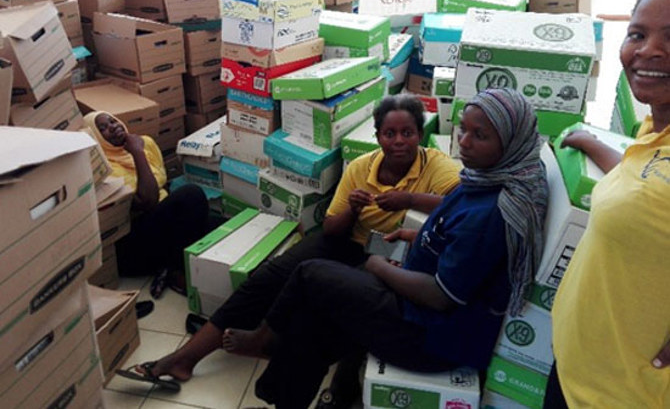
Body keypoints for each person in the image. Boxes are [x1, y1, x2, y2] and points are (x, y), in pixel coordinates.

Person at [220, 88, 549, 409]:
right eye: (464, 129)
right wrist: (415, 238)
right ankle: (281, 394)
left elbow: (441, 296)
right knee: (313, 319)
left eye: (480, 135)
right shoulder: (483, 180)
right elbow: (452, 234)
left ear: (511, 143)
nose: (463, 141)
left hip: (430, 336)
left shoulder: (492, 210)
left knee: (311, 274)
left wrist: (377, 266)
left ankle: (267, 339)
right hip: (417, 307)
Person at [121, 94, 462, 402]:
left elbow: (463, 205)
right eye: (390, 134)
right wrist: (353, 209)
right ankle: (185, 358)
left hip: (392, 256)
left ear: (420, 135)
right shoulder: (361, 167)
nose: (399, 141)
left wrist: (410, 199)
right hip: (349, 241)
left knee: (320, 309)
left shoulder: (436, 165)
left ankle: (273, 345)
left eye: (408, 133)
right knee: (269, 277)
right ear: (377, 137)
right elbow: (331, 227)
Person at [548, 0, 670, 408]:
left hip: (624, 393)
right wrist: (594, 145)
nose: (649, 51)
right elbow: (646, 187)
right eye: (637, 34)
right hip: (575, 363)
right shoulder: (656, 126)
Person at [84, 111, 214, 297]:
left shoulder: (146, 143)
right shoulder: (105, 170)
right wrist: (137, 152)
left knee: (216, 223)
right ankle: (176, 269)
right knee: (191, 194)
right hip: (132, 243)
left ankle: (177, 263)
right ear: (97, 139)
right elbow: (147, 201)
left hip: (158, 225)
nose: (112, 126)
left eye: (112, 121)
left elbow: (161, 181)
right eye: (103, 128)